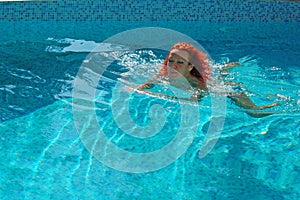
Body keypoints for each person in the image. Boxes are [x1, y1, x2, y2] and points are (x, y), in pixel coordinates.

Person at [132, 42, 278, 118]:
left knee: (254, 113)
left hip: (227, 90)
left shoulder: (196, 83)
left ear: (190, 67)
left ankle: (278, 108)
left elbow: (193, 101)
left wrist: (157, 95)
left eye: (180, 62)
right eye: (171, 60)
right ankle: (224, 69)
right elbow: (142, 87)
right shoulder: (164, 73)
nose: (173, 66)